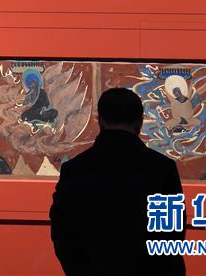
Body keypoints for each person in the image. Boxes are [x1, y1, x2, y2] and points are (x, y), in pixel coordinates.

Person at [50, 88, 185, 276]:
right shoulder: (162, 168)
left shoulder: (74, 169)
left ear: (100, 120)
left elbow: (62, 234)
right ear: (140, 122)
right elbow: (173, 235)